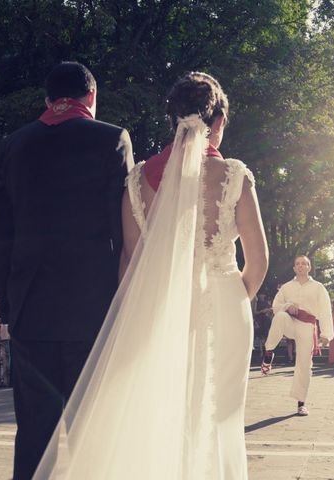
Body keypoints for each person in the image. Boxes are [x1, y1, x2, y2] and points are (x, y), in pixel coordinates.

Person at [33, 71, 268, 478]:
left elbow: (129, 261)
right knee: (221, 416)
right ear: (219, 123)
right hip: (226, 307)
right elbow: (259, 259)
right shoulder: (233, 175)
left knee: (167, 412)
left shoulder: (137, 180)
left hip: (159, 311)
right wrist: (232, 296)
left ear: (172, 120)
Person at [0, 61, 134, 479]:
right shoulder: (112, 139)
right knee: (93, 431)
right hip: (94, 307)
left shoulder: (13, 145)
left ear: (48, 100)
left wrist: (9, 301)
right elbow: (122, 225)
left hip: (31, 309)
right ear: (91, 97)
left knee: (34, 432)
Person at [262, 255, 333, 416]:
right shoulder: (286, 287)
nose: (301, 266)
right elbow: (275, 307)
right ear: (294, 268)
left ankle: (301, 403)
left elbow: (325, 310)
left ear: (309, 267)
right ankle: (268, 353)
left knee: (304, 364)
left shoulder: (318, 287)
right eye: (298, 264)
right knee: (279, 316)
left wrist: (326, 334)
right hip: (290, 322)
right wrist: (288, 306)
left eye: (304, 263)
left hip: (307, 327)